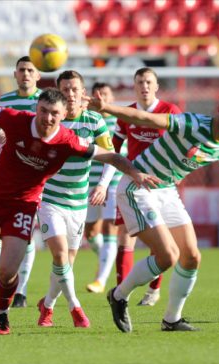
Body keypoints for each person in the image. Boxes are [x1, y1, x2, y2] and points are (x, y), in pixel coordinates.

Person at [0, 88, 160, 335]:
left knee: (9, 271)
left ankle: (1, 314)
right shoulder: (14, 119)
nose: (48, 117)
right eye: (44, 110)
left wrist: (135, 173)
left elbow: (112, 156)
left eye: (54, 113)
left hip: (22, 205)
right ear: (37, 107)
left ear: (64, 114)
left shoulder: (69, 142)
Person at [85, 88, 219, 333]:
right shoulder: (191, 123)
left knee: (191, 257)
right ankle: (119, 295)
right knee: (167, 256)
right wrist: (106, 108)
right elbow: (147, 119)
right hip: (139, 186)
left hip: (166, 190)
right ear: (218, 110)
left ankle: (171, 320)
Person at [36, 71, 117, 328]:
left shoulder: (94, 121)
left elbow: (111, 156)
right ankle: (76, 310)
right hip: (50, 199)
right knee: (60, 256)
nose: (71, 95)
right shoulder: (50, 120)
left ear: (83, 93)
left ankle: (47, 305)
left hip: (78, 202)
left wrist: (103, 185)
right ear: (59, 92)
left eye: (75, 90)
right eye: (66, 89)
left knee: (66, 263)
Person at [107, 67, 182, 306]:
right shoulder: (127, 114)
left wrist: (179, 171)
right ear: (134, 84)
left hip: (162, 186)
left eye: (149, 82)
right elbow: (113, 150)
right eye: (140, 82)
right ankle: (121, 292)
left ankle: (153, 290)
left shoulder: (170, 112)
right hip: (134, 184)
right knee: (125, 237)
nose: (145, 86)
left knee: (160, 241)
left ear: (157, 86)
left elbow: (185, 145)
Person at [0, 56, 42, 309]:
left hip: (33, 175)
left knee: (25, 234)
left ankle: (21, 291)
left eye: (30, 70)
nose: (25, 74)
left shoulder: (44, 101)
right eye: (21, 70)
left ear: (37, 75)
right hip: (5, 174)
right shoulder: (5, 100)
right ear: (15, 74)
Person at [84, 82, 123, 294]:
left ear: (112, 98)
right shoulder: (89, 120)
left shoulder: (119, 121)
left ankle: (101, 279)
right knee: (90, 232)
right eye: (98, 94)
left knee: (110, 227)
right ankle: (107, 258)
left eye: (106, 94)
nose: (102, 97)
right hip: (90, 181)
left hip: (114, 180)